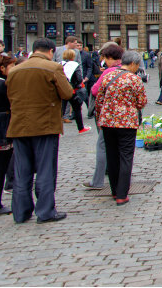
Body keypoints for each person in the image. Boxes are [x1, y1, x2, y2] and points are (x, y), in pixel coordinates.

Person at [6, 38, 74, 223]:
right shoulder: (53, 68)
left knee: (22, 170)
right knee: (45, 169)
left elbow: (10, 96)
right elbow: (67, 93)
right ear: (51, 51)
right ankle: (45, 211)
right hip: (45, 125)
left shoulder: (15, 70)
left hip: (19, 126)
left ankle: (21, 212)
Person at [95, 51, 147, 206]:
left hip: (108, 121)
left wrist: (101, 116)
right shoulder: (134, 79)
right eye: (137, 65)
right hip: (126, 123)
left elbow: (99, 99)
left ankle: (114, 190)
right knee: (125, 156)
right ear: (133, 64)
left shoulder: (107, 76)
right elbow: (142, 102)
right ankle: (122, 194)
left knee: (112, 156)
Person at [83, 43, 124, 190]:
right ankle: (123, 177)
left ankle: (98, 180)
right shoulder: (129, 70)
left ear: (109, 58)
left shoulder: (108, 73)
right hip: (126, 118)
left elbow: (94, 91)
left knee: (102, 146)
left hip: (109, 116)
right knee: (123, 147)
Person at [0, 55, 18, 215]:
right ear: (2, 68)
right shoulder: (1, 84)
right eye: (11, 66)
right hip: (1, 125)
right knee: (0, 166)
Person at [59, 49, 91, 134]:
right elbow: (79, 78)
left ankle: (58, 131)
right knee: (77, 109)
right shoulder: (75, 65)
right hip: (72, 90)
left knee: (60, 110)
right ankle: (81, 128)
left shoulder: (60, 64)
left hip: (62, 89)